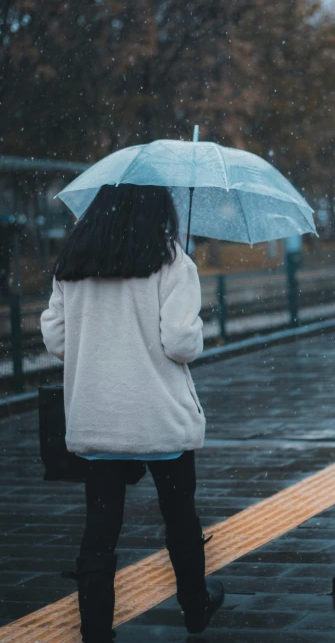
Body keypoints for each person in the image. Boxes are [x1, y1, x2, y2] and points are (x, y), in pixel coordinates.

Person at [40, 183, 224, 642]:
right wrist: (196, 322)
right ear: (158, 210)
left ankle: (96, 631)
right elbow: (181, 344)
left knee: (100, 528)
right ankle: (195, 606)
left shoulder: (75, 262)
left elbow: (56, 340)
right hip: (157, 415)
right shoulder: (171, 260)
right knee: (179, 514)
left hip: (98, 416)